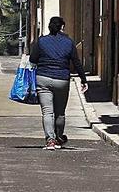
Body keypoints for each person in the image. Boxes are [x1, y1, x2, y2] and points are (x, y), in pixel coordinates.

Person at [29, 16, 88, 150]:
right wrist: (83, 79)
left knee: (47, 112)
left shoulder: (41, 41)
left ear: (49, 27)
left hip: (43, 78)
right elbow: (76, 62)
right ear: (62, 27)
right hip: (62, 80)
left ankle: (50, 141)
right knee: (60, 112)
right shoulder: (69, 42)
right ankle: (59, 138)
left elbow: (33, 59)